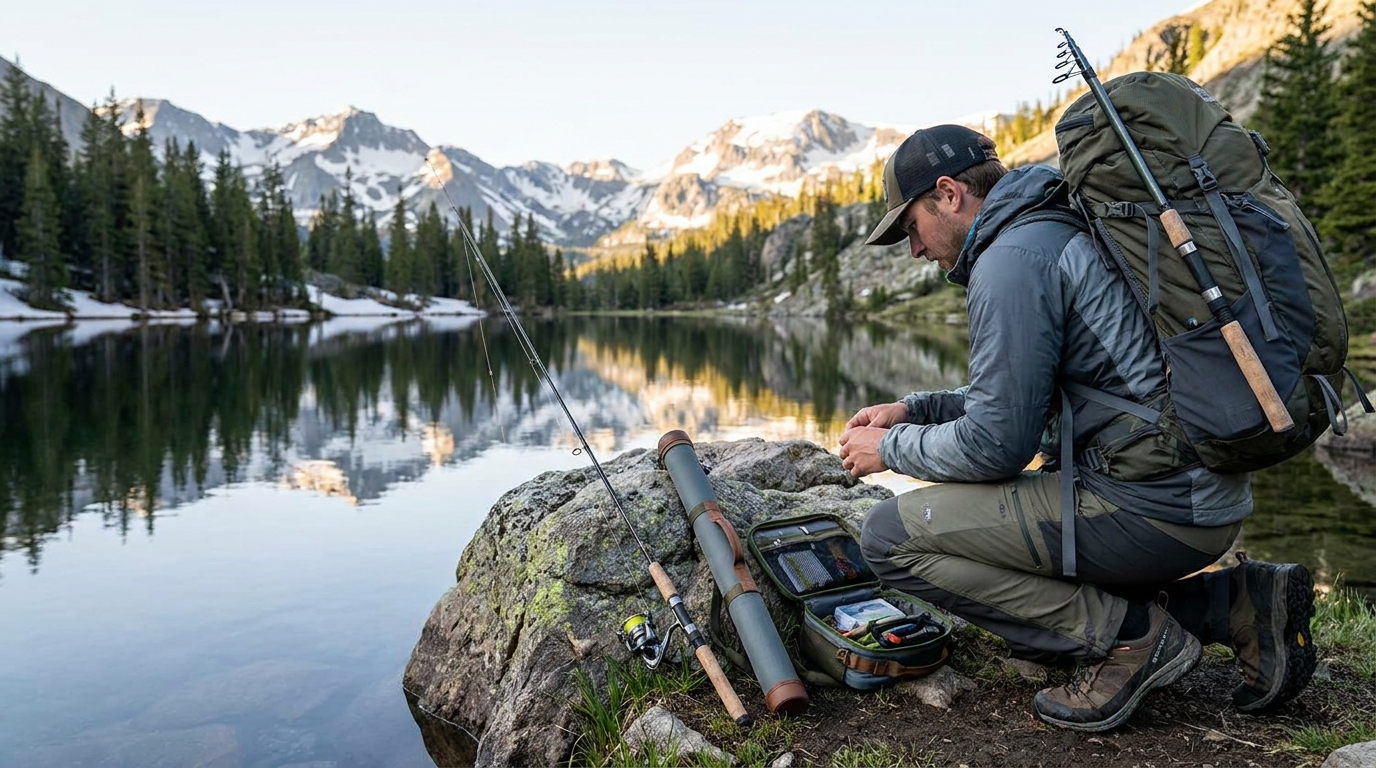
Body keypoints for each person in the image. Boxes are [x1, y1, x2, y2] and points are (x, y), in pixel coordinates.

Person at [840, 124, 1317, 732]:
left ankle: (1131, 639)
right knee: (1022, 591)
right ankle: (1236, 605)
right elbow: (1027, 399)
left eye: (911, 226)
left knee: (889, 536)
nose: (914, 249)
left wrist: (889, 448)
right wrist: (916, 410)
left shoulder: (1011, 260)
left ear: (949, 193)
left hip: (1155, 510)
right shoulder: (1055, 225)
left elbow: (995, 447)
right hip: (1199, 497)